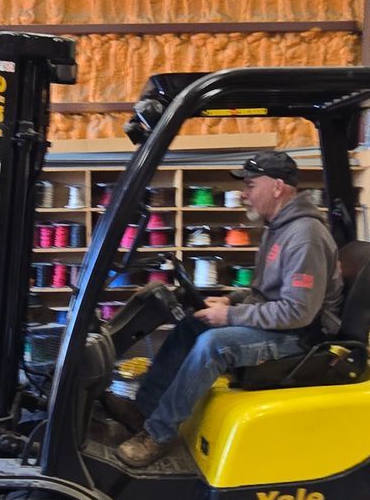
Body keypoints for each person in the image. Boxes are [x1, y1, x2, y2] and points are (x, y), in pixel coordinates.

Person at [110, 150, 343, 466]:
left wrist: (230, 315)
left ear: (277, 187)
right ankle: (143, 411)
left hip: (300, 335)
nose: (244, 194)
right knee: (192, 325)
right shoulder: (279, 227)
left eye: (251, 185)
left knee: (214, 344)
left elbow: (297, 312)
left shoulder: (304, 236)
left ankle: (158, 435)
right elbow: (268, 292)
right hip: (284, 323)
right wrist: (231, 301)